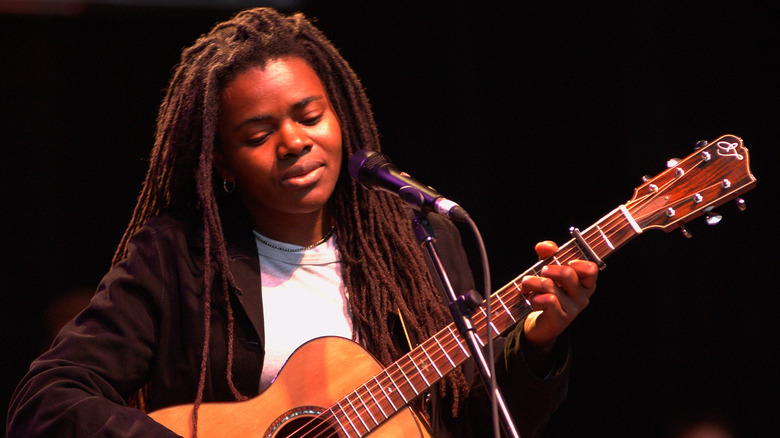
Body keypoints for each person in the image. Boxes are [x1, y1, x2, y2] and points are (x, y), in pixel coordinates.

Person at [7, 7, 597, 438]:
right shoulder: (179, 257)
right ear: (223, 163)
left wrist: (537, 340)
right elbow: (45, 402)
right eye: (258, 135)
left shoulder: (422, 240)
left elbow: (475, 422)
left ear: (340, 116)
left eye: (310, 116)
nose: (293, 143)